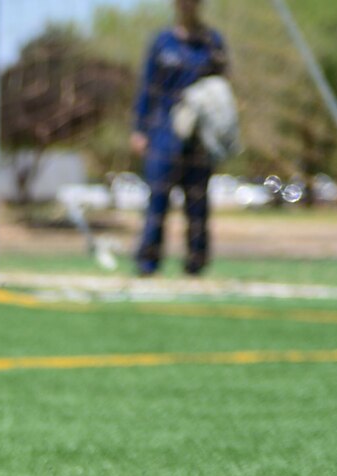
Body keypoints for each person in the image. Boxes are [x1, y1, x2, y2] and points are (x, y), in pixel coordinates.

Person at [129, 0, 229, 276]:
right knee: (157, 199)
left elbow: (223, 85)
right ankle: (147, 263)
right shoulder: (162, 42)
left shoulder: (212, 42)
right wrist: (140, 129)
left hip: (199, 134)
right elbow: (147, 87)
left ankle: (196, 263)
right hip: (163, 131)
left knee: (197, 201)